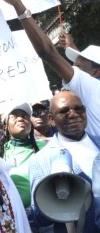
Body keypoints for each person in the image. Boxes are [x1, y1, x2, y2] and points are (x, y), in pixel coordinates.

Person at [0, 0, 100, 148]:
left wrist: (18, 5)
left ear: (96, 73)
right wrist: (73, 48)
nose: (73, 68)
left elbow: (48, 53)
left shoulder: (91, 88)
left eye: (79, 64)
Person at [27, 91, 100, 232]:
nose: (73, 114)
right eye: (64, 111)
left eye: (78, 109)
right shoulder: (40, 160)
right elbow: (40, 216)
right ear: (51, 119)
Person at [3, 103, 46, 208]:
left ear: (31, 125)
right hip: (17, 217)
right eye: (14, 116)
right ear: (6, 125)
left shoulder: (44, 148)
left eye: (25, 116)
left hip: (47, 212)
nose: (20, 119)